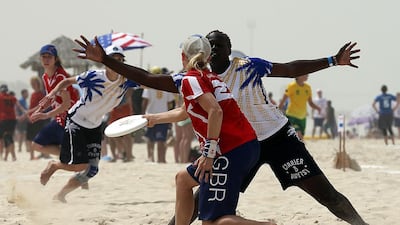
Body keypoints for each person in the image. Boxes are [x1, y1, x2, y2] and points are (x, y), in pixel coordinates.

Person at [74, 30, 368, 225]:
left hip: (277, 139)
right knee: (200, 200)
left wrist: (333, 60)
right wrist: (108, 60)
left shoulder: (248, 66)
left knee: (326, 194)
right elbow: (150, 81)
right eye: (209, 46)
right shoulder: (197, 78)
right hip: (240, 145)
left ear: (229, 50)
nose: (213, 50)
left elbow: (291, 69)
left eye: (219, 46)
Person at [146, 35, 273, 225]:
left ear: (182, 56)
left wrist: (209, 152)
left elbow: (215, 111)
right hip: (243, 146)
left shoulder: (191, 79)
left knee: (214, 222)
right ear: (208, 57)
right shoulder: (208, 77)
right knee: (183, 180)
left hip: (230, 150)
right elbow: (184, 111)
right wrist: (154, 119)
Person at [33, 45, 138, 203]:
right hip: (77, 121)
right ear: (106, 62)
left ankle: (61, 195)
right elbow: (68, 81)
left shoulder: (126, 80)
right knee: (80, 165)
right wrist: (52, 94)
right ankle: (54, 165)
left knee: (92, 170)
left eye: (120, 60)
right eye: (113, 60)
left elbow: (149, 82)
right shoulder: (94, 76)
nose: (117, 63)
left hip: (94, 125)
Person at [29, 44, 79, 158]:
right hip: (59, 118)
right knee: (36, 145)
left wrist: (46, 115)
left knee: (74, 151)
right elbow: (51, 99)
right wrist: (39, 110)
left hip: (71, 119)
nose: (46, 59)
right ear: (40, 59)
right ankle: (67, 156)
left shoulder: (60, 76)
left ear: (55, 59)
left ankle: (71, 157)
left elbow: (66, 104)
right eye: (43, 56)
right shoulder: (45, 77)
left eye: (49, 57)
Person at [141, 66, 175, 163]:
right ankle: (161, 159)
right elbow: (170, 103)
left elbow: (145, 102)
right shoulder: (166, 86)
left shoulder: (148, 86)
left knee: (150, 138)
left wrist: (142, 113)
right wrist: (170, 116)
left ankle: (150, 157)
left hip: (150, 115)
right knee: (161, 139)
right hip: (163, 116)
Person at [278, 74, 321, 140]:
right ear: (298, 76)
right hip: (292, 115)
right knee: (298, 134)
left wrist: (318, 108)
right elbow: (283, 100)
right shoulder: (291, 86)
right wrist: (278, 110)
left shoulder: (308, 87)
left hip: (302, 117)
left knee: (301, 138)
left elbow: (310, 103)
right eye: (305, 74)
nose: (307, 75)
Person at [0, 84, 26, 161]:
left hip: (3, 119)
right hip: (12, 120)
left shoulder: (0, 97)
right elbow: (20, 107)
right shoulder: (12, 97)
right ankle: (10, 156)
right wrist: (25, 114)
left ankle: (3, 156)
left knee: (3, 139)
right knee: (9, 137)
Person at [26, 76, 49, 160]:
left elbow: (40, 106)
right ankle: (32, 156)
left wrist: (29, 112)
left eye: (34, 83)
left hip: (38, 117)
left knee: (40, 136)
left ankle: (45, 154)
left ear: (38, 83)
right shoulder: (32, 94)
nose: (33, 85)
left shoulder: (41, 94)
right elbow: (31, 106)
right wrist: (28, 114)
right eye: (31, 83)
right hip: (31, 117)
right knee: (30, 137)